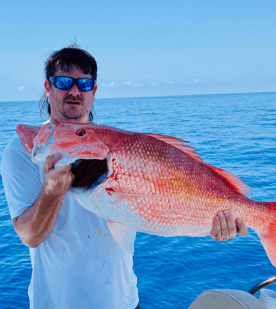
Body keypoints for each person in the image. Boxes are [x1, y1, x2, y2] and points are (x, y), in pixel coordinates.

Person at [1, 45, 248, 309]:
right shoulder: (23, 151)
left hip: (124, 301)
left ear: (93, 92)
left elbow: (162, 207)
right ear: (48, 87)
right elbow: (29, 236)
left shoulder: (116, 145)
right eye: (64, 82)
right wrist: (52, 192)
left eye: (84, 84)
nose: (74, 91)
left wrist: (209, 222)